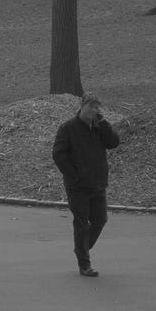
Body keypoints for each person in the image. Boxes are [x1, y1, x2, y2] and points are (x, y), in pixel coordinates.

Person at [53, 93, 120, 276]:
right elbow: (59, 154)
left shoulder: (100, 127)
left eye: (97, 107)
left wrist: (105, 124)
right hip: (77, 186)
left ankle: (81, 248)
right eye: (91, 106)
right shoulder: (68, 128)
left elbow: (113, 143)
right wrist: (74, 175)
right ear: (82, 106)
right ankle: (84, 264)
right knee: (81, 223)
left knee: (100, 220)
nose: (94, 110)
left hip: (98, 183)